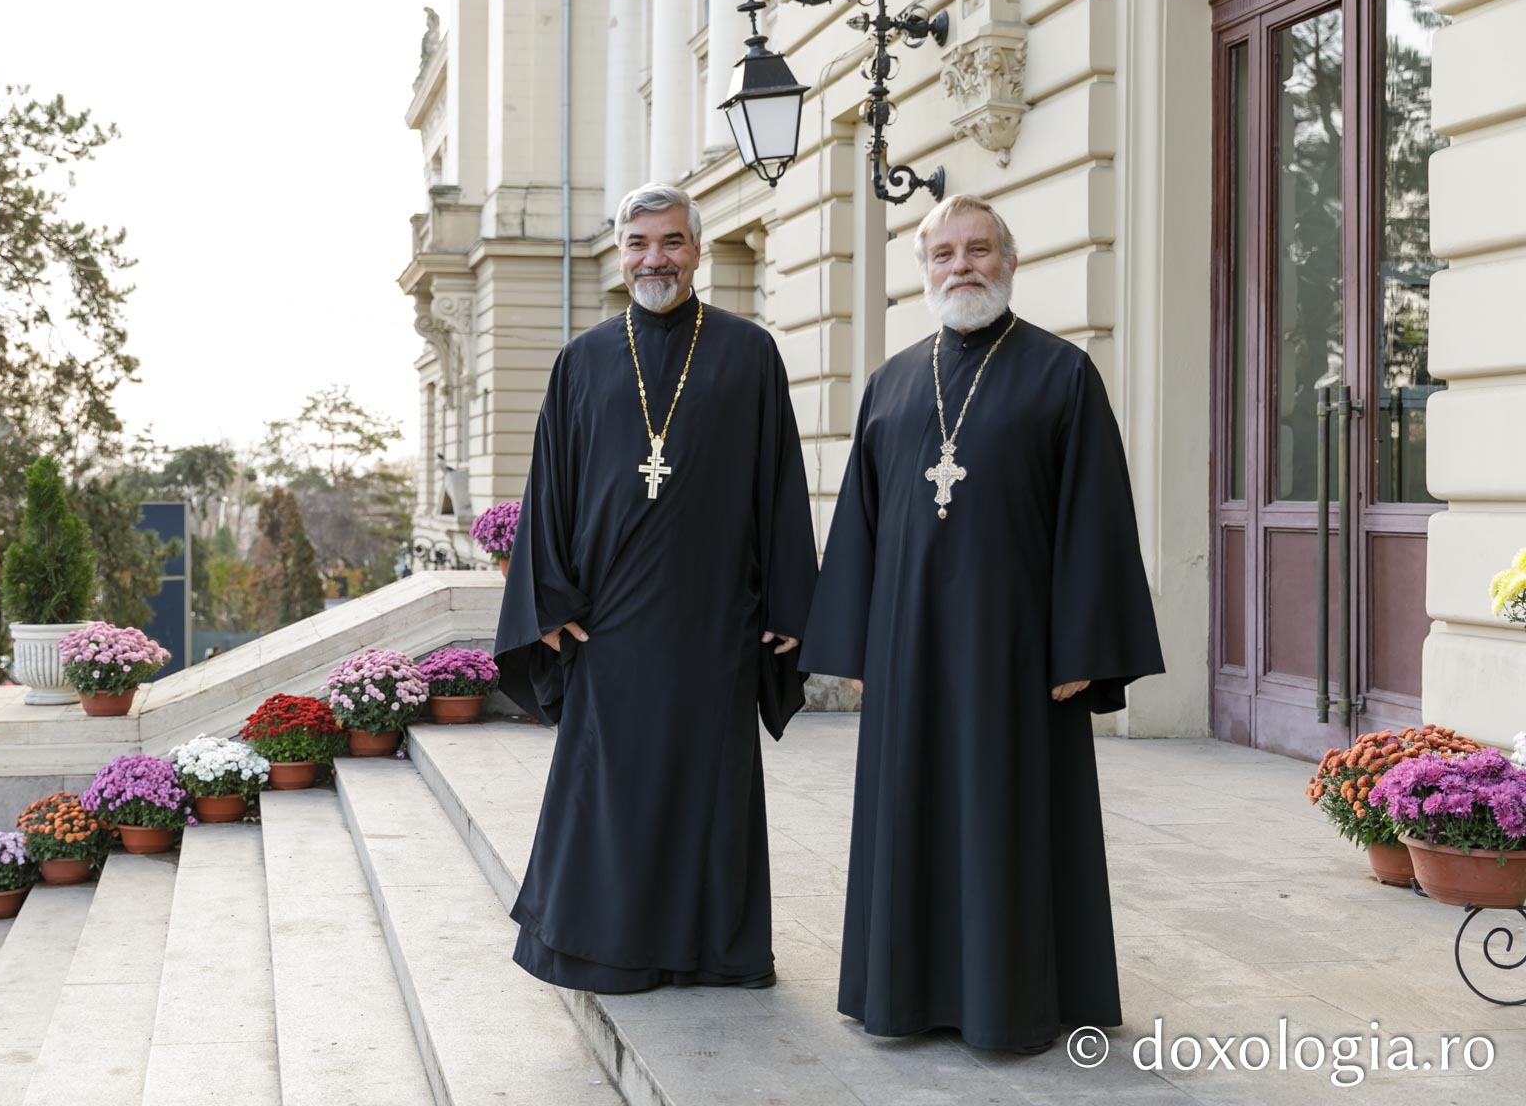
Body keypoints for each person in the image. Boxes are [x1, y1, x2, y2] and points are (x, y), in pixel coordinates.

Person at [801, 194, 1164, 1054]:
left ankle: (1013, 1001)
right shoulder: (891, 383)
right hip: (908, 648)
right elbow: (857, 522)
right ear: (924, 270)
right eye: (942, 255)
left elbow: (1095, 516)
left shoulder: (1062, 374)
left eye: (978, 250)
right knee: (911, 814)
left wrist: (1082, 643)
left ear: (1009, 261)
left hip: (1015, 653)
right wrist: (853, 646)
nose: (960, 266)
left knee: (1007, 818)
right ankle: (902, 993)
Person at [493, 181, 820, 993]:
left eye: (671, 242)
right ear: (619, 251)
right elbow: (550, 492)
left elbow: (780, 483)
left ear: (696, 250)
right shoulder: (584, 359)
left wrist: (788, 600)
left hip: (716, 616)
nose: (655, 259)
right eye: (639, 243)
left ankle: (713, 950)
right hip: (610, 622)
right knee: (611, 785)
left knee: (710, 783)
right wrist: (550, 602)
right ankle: (601, 945)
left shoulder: (749, 352)